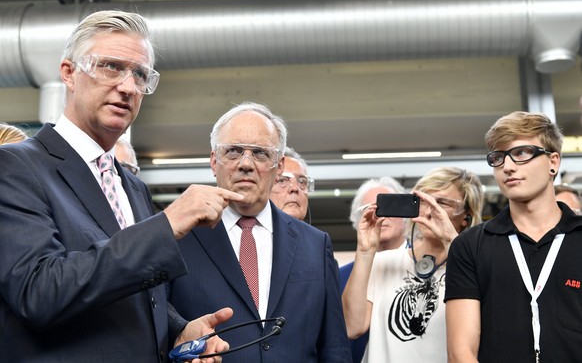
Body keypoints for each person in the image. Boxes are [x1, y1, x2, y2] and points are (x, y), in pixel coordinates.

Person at [0, 10, 245, 362]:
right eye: (111, 66)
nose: (128, 86)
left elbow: (128, 290)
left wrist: (177, 329)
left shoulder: (130, 185)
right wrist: (166, 225)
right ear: (69, 73)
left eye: (140, 74)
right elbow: (39, 291)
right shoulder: (16, 166)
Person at [169, 101, 351, 362]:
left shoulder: (315, 244)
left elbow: (334, 347)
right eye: (233, 151)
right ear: (213, 161)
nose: (246, 163)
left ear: (279, 166)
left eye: (260, 153)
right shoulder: (179, 236)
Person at [446, 111, 582, 363]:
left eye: (521, 153)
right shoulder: (470, 245)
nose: (507, 167)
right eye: (498, 157)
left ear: (553, 162)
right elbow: (460, 353)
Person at [343, 167, 484, 363]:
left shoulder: (477, 269)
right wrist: (365, 252)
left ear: (466, 217)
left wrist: (454, 244)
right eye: (423, 201)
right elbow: (351, 327)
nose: (428, 211)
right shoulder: (384, 262)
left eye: (441, 203)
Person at [338, 176, 407, 362]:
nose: (380, 216)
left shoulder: (425, 268)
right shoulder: (340, 277)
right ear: (356, 220)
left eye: (388, 206)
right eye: (368, 209)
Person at [269, 146, 314, 221]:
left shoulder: (317, 233)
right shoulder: (248, 231)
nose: (295, 188)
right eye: (282, 180)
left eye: (302, 182)